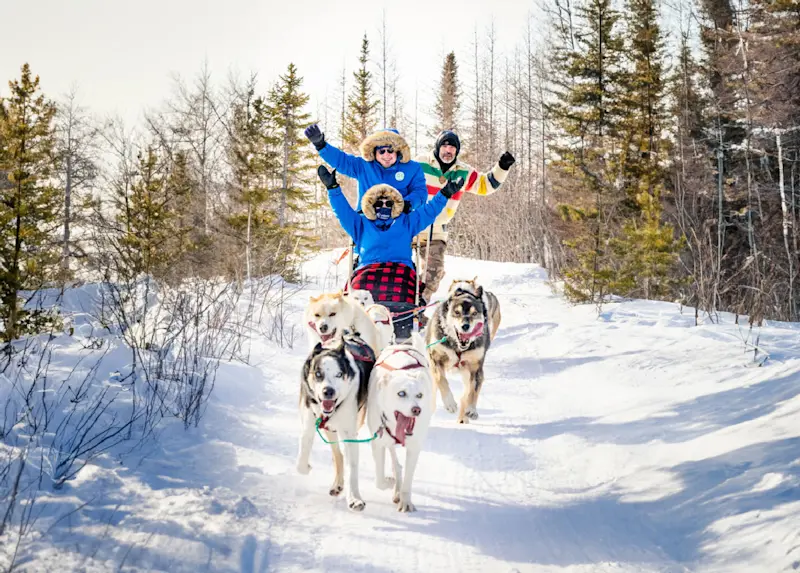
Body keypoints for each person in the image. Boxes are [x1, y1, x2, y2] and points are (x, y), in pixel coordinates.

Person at [318, 165, 464, 338]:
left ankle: (405, 323)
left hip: (400, 269)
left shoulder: (406, 221)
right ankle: (352, 324)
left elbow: (430, 211)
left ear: (396, 205)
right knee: (357, 289)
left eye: (389, 203)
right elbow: (342, 211)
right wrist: (333, 188)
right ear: (371, 205)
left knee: (405, 287)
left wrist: (446, 193)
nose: (384, 206)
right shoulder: (361, 223)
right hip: (367, 269)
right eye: (379, 203)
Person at [414, 130, 516, 303]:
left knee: (434, 272)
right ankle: (399, 301)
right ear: (437, 147)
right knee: (400, 265)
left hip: (436, 231)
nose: (448, 150)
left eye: (452, 147)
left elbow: (485, 185)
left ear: (457, 150)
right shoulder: (419, 163)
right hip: (411, 224)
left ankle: (418, 305)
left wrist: (502, 167)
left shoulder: (463, 171)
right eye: (444, 146)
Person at [304, 124, 427, 213]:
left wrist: (407, 203)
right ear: (374, 152)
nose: (386, 155)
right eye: (382, 151)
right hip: (367, 220)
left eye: (390, 150)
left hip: (399, 219)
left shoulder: (412, 168)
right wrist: (321, 145)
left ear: (398, 151)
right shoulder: (363, 166)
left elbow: (420, 192)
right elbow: (342, 160)